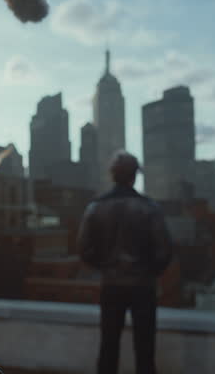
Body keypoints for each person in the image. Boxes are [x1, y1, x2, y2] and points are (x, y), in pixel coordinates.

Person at [77, 150, 173, 374]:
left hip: (111, 285)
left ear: (112, 175)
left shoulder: (95, 208)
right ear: (134, 175)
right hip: (143, 287)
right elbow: (165, 251)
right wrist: (149, 272)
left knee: (108, 346)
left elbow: (84, 249)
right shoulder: (150, 208)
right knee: (145, 350)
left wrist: (105, 267)